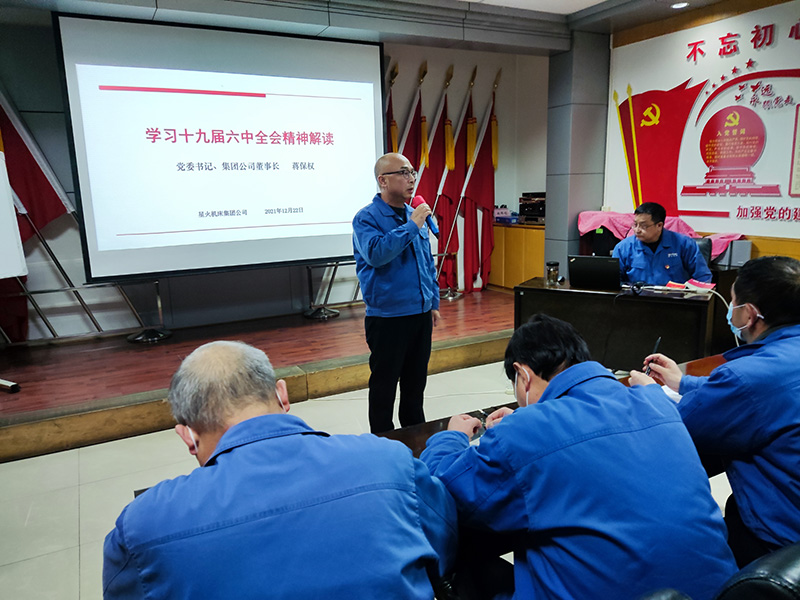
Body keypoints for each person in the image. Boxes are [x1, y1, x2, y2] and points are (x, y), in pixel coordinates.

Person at [102, 340, 457, 599]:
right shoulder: (391, 462)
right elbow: (444, 548)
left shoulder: (143, 527)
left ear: (188, 436)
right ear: (283, 396)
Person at [421, 314, 737, 600]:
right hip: (717, 591)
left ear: (522, 374)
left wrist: (451, 437)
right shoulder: (657, 403)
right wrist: (520, 430)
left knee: (461, 562)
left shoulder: (527, 431)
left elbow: (445, 487)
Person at [630, 255, 800, 568]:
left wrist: (649, 392)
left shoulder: (747, 376)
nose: (730, 310)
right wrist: (683, 383)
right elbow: (748, 395)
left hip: (779, 540)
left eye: (733, 302)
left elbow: (679, 428)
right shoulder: (770, 366)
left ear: (749, 314)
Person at [353, 152, 441, 433]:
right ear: (383, 181)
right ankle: (384, 443)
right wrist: (412, 225)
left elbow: (426, 262)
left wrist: (433, 301)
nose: (411, 178)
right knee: (384, 387)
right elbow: (377, 254)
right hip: (388, 318)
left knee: (415, 386)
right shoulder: (367, 218)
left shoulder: (414, 214)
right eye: (403, 172)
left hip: (420, 313)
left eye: (412, 172)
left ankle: (415, 439)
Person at [612, 201, 712, 285]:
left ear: (659, 226)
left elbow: (702, 276)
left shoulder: (684, 244)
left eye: (643, 226)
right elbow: (614, 281)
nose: (637, 230)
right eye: (635, 224)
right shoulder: (623, 248)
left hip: (675, 299)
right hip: (637, 299)